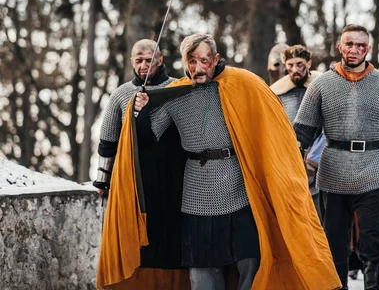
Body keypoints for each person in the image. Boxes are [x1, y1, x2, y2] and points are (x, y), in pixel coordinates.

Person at [96, 34, 340, 290]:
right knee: (202, 268)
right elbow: (149, 137)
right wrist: (141, 112)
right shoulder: (176, 94)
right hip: (196, 191)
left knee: (250, 260)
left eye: (203, 60)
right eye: (191, 61)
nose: (198, 67)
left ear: (215, 59)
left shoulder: (243, 84)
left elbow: (273, 130)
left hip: (239, 187)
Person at [294, 24, 379, 290]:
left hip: (374, 170)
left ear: (368, 48)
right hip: (333, 169)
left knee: (373, 242)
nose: (354, 50)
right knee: (334, 244)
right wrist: (291, 164)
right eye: (349, 44)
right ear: (340, 47)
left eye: (360, 45)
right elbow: (302, 132)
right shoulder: (321, 85)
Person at [93, 39, 174, 196]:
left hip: (170, 173)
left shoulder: (176, 89)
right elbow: (108, 140)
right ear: (132, 61)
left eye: (149, 60)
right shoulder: (120, 94)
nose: (144, 65)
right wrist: (102, 180)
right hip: (131, 173)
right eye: (139, 60)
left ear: (160, 60)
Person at [270, 44, 323, 209]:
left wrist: (313, 159)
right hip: (289, 163)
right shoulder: (278, 94)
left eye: (300, 64)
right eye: (290, 65)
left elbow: (330, 127)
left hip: (321, 165)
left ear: (309, 63)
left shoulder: (322, 89)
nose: (295, 69)